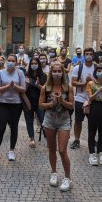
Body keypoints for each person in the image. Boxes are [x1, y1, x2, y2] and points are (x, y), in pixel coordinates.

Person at [39, 61, 74, 192]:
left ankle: (67, 178)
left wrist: (61, 101)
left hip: (64, 121)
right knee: (52, 148)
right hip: (50, 121)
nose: (57, 74)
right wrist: (52, 104)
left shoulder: (68, 87)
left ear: (63, 73)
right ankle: (54, 172)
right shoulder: (45, 88)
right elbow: (41, 105)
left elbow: (72, 105)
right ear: (51, 73)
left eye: (59, 71)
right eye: (55, 71)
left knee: (62, 150)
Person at [0, 54, 26, 162]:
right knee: (1, 127)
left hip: (16, 104)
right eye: (9, 60)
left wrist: (15, 86)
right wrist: (8, 86)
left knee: (14, 127)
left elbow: (23, 89)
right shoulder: (0, 73)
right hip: (3, 103)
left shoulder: (20, 73)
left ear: (16, 62)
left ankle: (11, 151)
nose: (10, 62)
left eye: (13, 60)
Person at [70, 47, 96, 149]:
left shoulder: (97, 68)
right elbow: (73, 82)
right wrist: (85, 83)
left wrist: (92, 81)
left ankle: (92, 139)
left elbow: (101, 82)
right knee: (78, 121)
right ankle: (77, 140)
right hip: (80, 98)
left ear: (93, 55)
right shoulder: (78, 68)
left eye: (90, 54)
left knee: (93, 121)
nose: (88, 56)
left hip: (93, 99)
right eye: (87, 54)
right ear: (84, 55)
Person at [24, 57, 47, 147]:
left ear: (38, 65)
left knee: (43, 120)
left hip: (40, 102)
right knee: (29, 121)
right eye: (32, 64)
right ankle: (32, 138)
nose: (34, 65)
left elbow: (45, 90)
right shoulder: (26, 75)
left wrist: (38, 85)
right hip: (28, 102)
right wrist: (26, 84)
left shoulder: (43, 76)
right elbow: (23, 90)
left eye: (35, 63)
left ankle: (47, 138)